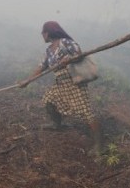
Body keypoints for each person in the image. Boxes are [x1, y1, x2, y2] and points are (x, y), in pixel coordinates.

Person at [19, 21, 102, 155]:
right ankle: (57, 124)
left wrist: (69, 59)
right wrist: (27, 81)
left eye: (43, 32)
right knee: (48, 100)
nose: (42, 35)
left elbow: (78, 53)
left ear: (49, 32)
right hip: (60, 82)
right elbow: (41, 67)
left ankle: (99, 146)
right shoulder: (49, 50)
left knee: (85, 112)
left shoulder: (66, 42)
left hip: (73, 81)